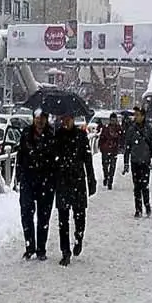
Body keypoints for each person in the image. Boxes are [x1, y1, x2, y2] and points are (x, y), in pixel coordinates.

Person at [53, 113, 97, 266]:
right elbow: (52, 159)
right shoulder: (57, 136)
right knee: (63, 220)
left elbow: (87, 159)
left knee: (79, 216)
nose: (65, 122)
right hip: (63, 181)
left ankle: (79, 238)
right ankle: (65, 251)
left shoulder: (80, 136)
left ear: (73, 119)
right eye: (63, 119)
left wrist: (91, 180)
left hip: (78, 180)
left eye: (68, 119)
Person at [17, 110, 56, 261]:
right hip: (28, 179)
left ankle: (41, 248)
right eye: (37, 118)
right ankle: (29, 246)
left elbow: (55, 159)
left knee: (43, 216)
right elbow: (20, 155)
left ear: (46, 120)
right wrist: (20, 174)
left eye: (42, 118)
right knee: (26, 212)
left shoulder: (52, 135)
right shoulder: (26, 133)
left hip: (46, 181)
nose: (39, 121)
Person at [123, 107, 152, 218]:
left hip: (145, 162)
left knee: (145, 185)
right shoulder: (131, 129)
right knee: (136, 186)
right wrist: (126, 163)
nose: (136, 117)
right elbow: (127, 147)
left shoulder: (149, 129)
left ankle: (147, 206)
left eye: (138, 115)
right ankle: (138, 209)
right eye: (135, 115)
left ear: (143, 116)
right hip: (135, 161)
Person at [97, 112, 123, 189]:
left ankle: (110, 181)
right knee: (105, 166)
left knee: (112, 166)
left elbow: (121, 139)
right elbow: (101, 138)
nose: (113, 121)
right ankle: (106, 177)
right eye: (112, 120)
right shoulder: (106, 128)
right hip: (105, 149)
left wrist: (118, 144)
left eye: (114, 120)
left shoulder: (119, 128)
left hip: (114, 150)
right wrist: (101, 146)